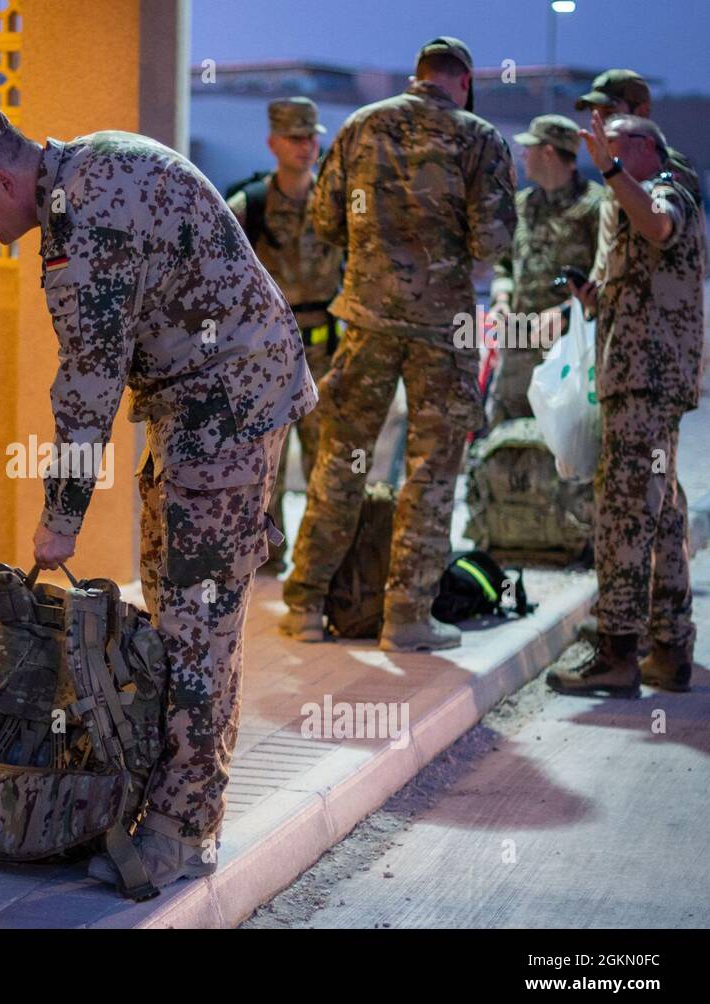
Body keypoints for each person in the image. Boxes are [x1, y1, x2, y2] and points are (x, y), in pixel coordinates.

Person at [0, 102, 316, 891]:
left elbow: (87, 392)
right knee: (179, 617)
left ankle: (182, 830)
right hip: (207, 400)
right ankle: (165, 803)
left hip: (223, 409)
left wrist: (59, 523)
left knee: (197, 628)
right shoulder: (95, 161)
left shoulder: (81, 229)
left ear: (1, 177)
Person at [278, 36, 516, 652]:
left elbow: (326, 221)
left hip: (367, 321)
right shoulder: (480, 139)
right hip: (443, 332)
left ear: (418, 76)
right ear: (463, 82)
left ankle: (305, 606)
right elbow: (494, 241)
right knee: (431, 472)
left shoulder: (361, 126)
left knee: (341, 461)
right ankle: (406, 618)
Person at [547, 113, 705, 697]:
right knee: (659, 515)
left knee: (621, 512)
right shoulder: (626, 201)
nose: (600, 156)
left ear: (646, 148)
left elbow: (660, 227)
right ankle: (670, 647)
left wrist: (611, 172)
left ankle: (617, 653)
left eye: (610, 147)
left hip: (648, 381)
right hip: (638, 378)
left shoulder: (667, 188)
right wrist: (595, 300)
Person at [227, 97, 342, 563]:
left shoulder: (336, 206)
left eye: (312, 136)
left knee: (326, 465)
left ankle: (317, 564)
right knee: (264, 464)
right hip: (268, 354)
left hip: (325, 352)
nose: (306, 146)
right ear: (272, 143)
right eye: (295, 137)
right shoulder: (249, 205)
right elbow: (219, 273)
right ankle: (269, 559)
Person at [487, 114, 603, 425]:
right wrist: (501, 298)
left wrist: (566, 311)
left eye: (530, 149)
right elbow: (504, 264)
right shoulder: (522, 205)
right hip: (519, 339)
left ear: (549, 153)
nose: (523, 156)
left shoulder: (595, 207)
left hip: (570, 345)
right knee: (504, 429)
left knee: (565, 438)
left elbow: (607, 275)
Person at [575, 70, 701, 288]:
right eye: (594, 113)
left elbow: (669, 230)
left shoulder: (664, 165)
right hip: (614, 312)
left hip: (660, 313)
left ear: (641, 111)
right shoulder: (613, 167)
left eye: (608, 112)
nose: (600, 123)